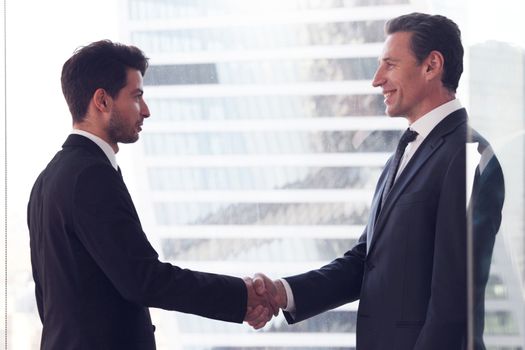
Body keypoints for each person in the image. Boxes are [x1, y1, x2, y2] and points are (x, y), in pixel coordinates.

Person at [251, 13, 504, 349]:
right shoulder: (399, 157)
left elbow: (454, 301)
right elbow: (365, 262)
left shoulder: (470, 156)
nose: (376, 80)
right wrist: (282, 292)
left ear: (432, 66)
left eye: (390, 65)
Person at [27, 40, 274, 350]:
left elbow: (49, 301)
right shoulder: (91, 175)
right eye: (137, 96)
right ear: (102, 101)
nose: (146, 110)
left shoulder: (47, 179)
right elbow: (143, 279)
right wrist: (242, 295)